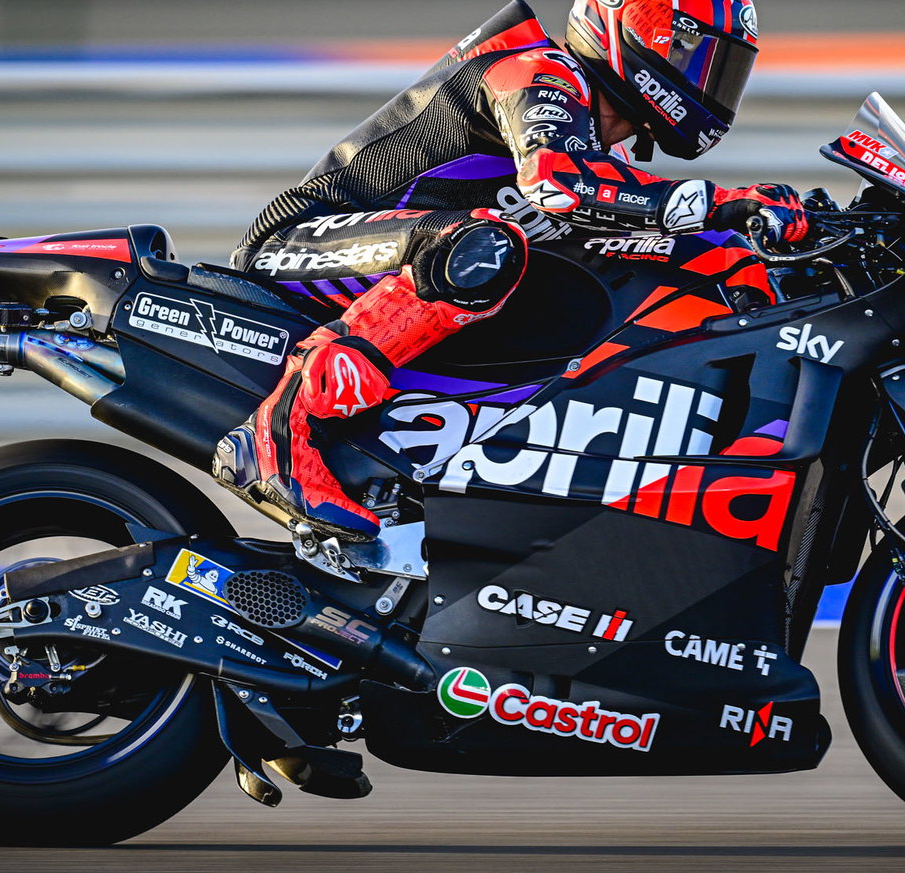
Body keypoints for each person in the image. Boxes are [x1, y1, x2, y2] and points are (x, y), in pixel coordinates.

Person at [214, 0, 812, 540]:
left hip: (403, 262)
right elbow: (559, 182)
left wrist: (781, 243)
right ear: (637, 33)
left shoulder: (605, 152)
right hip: (300, 243)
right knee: (480, 245)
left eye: (724, 67)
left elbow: (660, 223)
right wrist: (728, 198)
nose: (711, 81)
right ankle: (280, 436)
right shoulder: (537, 71)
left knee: (706, 252)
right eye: (699, 55)